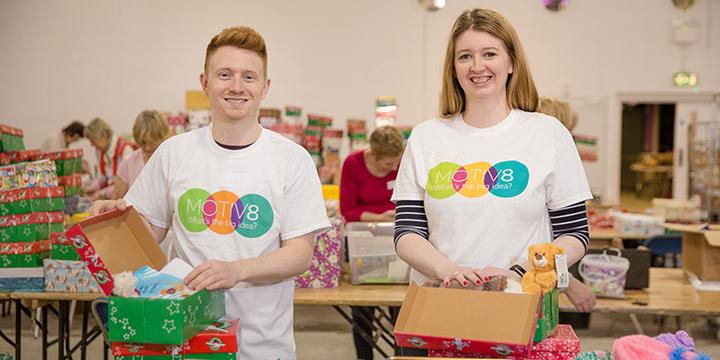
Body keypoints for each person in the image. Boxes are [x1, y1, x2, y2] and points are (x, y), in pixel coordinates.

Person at [90, 26, 329, 359]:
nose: (236, 87)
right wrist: (117, 223)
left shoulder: (292, 160)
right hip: (185, 338)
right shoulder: (174, 153)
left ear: (265, 87)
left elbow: (300, 255)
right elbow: (150, 234)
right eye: (224, 74)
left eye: (249, 77)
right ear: (205, 82)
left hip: (261, 344)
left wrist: (237, 270)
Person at [391, 8, 594, 342]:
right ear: (453, 68)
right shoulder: (427, 137)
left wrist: (518, 273)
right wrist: (449, 270)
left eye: (489, 54)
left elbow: (574, 235)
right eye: (465, 56)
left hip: (523, 308)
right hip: (441, 308)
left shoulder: (547, 134)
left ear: (511, 63)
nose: (477, 66)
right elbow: (407, 232)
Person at [339, 125, 404, 360]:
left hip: (396, 243)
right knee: (363, 311)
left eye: (396, 162)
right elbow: (347, 210)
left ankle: (400, 355)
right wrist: (379, 218)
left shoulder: (401, 164)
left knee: (399, 308)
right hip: (362, 243)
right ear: (373, 155)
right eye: (388, 164)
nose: (394, 168)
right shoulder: (353, 164)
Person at [111, 110, 170, 199]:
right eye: (143, 143)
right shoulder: (128, 163)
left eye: (153, 142)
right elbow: (116, 200)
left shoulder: (171, 161)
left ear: (162, 138)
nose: (147, 148)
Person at [85, 117, 137, 199]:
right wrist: (93, 186)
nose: (92, 144)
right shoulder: (99, 151)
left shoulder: (125, 149)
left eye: (93, 140)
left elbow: (126, 183)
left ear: (104, 135)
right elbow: (105, 177)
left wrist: (102, 193)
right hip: (112, 194)